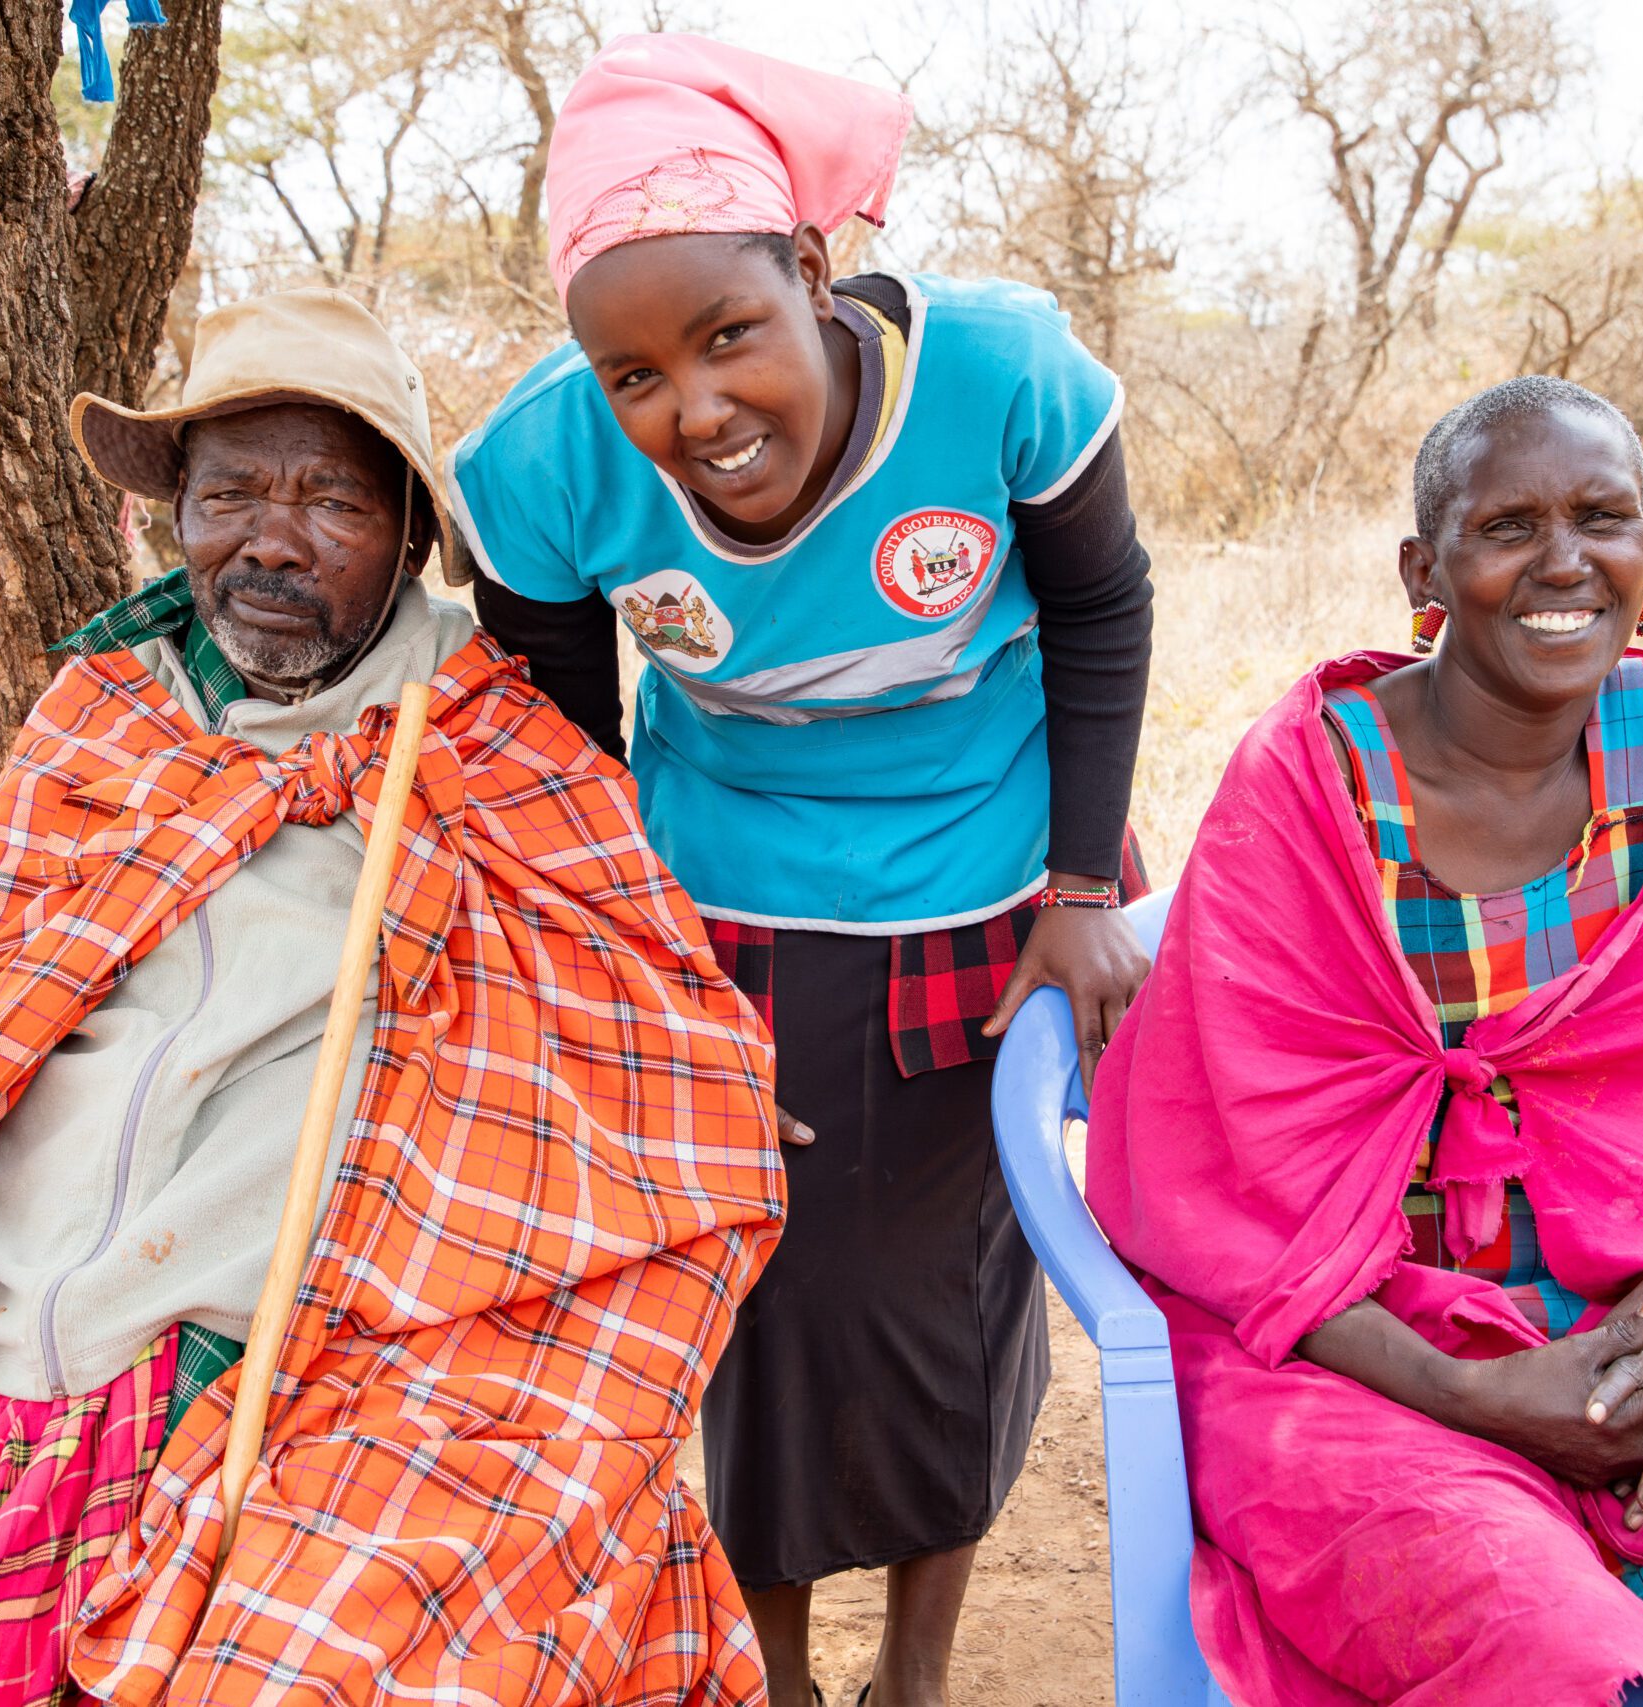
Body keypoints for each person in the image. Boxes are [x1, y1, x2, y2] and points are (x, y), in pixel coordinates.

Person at [0, 287, 785, 1707]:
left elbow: (647, 1038)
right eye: (229, 494)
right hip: (20, 1349)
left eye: (330, 502)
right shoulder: (101, 721)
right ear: (178, 515)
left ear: (409, 535)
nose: (270, 540)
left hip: (321, 1371)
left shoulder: (493, 748)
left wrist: (691, 1120)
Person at [446, 34, 1156, 1707]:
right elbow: (570, 766)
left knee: (945, 1286)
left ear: (814, 274)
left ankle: (915, 1667)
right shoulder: (544, 472)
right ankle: (770, 1672)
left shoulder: (997, 377)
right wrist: (643, 1008)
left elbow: (1103, 609)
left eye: (727, 337)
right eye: (633, 376)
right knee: (746, 1296)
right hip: (726, 902)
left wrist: (1079, 895)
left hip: (993, 878)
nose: (691, 410)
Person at [1084, 377, 1643, 1707]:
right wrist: (1479, 1397)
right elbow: (1226, 1189)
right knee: (1563, 1662)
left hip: (1622, 1297)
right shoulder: (1317, 778)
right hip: (1348, 1337)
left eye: (1604, 518)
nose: (1564, 563)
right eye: (1508, 527)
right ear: (1426, 569)